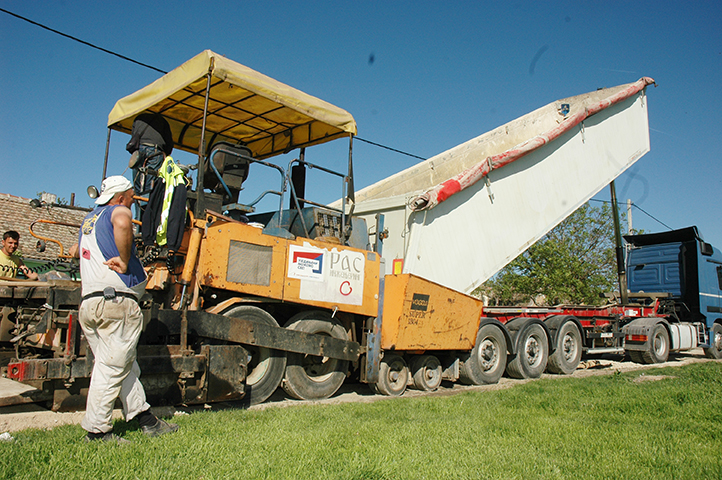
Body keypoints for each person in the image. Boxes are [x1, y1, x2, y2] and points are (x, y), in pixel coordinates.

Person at [74, 175, 178, 443]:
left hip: (91, 304)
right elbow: (122, 220)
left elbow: (76, 251)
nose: (132, 203)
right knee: (111, 368)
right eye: (131, 198)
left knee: (123, 366)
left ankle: (145, 419)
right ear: (120, 197)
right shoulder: (117, 211)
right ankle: (97, 432)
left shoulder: (89, 220)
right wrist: (123, 259)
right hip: (115, 304)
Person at [126, 113, 174, 218]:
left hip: (139, 151)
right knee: (151, 186)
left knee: (137, 186)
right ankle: (148, 217)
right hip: (155, 150)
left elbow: (134, 135)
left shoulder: (138, 118)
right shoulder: (162, 121)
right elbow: (169, 143)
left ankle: (139, 217)